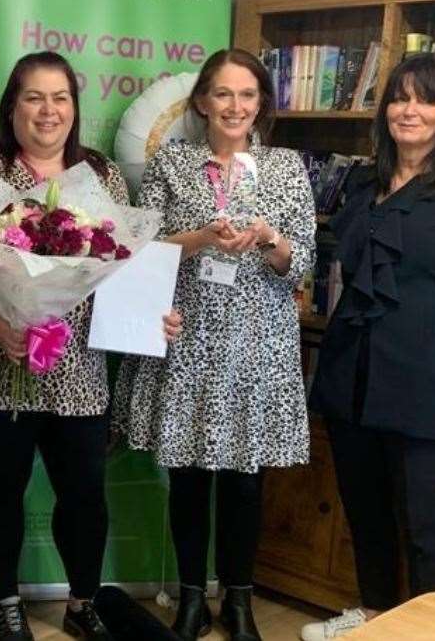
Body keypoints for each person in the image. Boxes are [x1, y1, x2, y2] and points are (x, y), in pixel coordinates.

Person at [0, 50, 181, 641]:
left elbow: (121, 261)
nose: (48, 111)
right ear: (11, 107)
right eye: (34, 97)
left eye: (60, 97)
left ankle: (82, 600)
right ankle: (7, 603)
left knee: (85, 492)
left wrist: (155, 315)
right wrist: (0, 324)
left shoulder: (98, 173)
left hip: (77, 365)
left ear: (74, 107)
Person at [113, 48, 316, 641]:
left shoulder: (285, 166)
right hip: (189, 337)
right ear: (202, 102)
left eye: (247, 95)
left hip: (258, 345)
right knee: (190, 476)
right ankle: (192, 599)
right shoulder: (172, 164)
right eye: (223, 94)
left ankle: (241, 600)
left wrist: (268, 238)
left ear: (260, 105)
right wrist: (203, 236)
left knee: (245, 480)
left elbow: (299, 262)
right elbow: (144, 250)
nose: (234, 106)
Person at [301, 55, 435, 641]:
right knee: (365, 512)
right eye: (398, 98)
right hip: (349, 374)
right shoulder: (363, 183)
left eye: (425, 99)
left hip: (423, 380)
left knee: (425, 524)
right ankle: (372, 614)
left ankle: (432, 633)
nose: (409, 110)